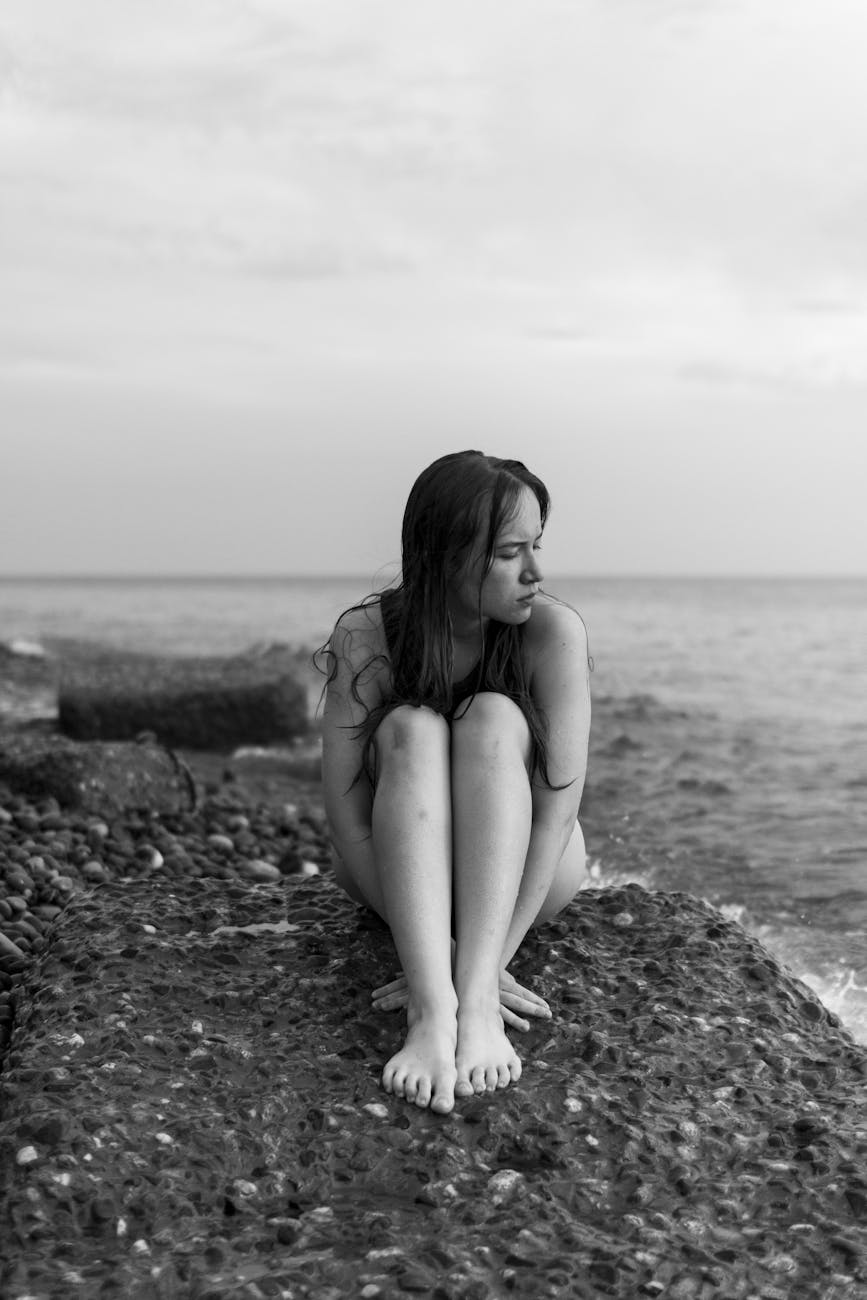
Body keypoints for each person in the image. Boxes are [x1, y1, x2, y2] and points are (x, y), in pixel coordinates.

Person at [319, 450, 591, 1115]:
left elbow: (556, 815)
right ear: (443, 557)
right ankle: (434, 1015)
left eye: (535, 547)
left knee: (494, 715)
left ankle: (474, 1008)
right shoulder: (367, 634)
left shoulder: (551, 633)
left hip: (528, 868)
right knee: (410, 728)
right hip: (399, 875)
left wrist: (486, 969)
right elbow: (348, 814)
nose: (535, 573)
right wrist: (430, 966)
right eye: (508, 553)